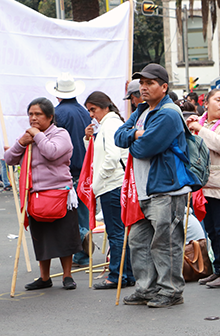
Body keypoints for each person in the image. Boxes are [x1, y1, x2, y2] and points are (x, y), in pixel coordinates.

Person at [114, 63, 201, 308]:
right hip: (144, 190)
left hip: (167, 189)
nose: (144, 87)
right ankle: (146, 288)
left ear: (164, 87)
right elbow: (118, 135)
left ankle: (171, 290)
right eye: (141, 83)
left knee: (166, 242)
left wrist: (134, 137)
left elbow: (144, 149)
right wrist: (135, 135)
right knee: (139, 241)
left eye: (150, 83)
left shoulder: (169, 113)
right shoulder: (142, 109)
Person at [5, 97, 80, 290]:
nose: (33, 118)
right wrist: (22, 142)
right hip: (36, 195)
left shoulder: (60, 134)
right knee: (42, 238)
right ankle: (44, 277)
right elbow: (9, 158)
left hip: (60, 195)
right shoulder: (28, 137)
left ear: (50, 116)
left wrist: (37, 135)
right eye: (30, 114)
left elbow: (51, 152)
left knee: (65, 237)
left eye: (38, 114)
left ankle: (67, 276)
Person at [187, 89, 220, 288]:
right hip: (203, 185)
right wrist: (192, 127)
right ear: (206, 104)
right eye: (217, 100)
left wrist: (198, 129)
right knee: (211, 230)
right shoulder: (200, 122)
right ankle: (218, 269)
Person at [83, 91, 135, 290]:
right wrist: (89, 139)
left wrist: (96, 184)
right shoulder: (107, 124)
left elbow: (111, 158)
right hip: (113, 183)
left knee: (116, 232)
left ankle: (117, 275)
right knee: (119, 232)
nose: (91, 115)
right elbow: (100, 155)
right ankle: (125, 273)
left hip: (112, 184)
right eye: (89, 111)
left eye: (93, 109)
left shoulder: (110, 124)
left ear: (105, 106)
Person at [46, 72, 92, 268]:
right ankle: (84, 244)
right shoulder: (83, 110)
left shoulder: (58, 113)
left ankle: (81, 245)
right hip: (85, 164)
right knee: (82, 209)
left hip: (68, 166)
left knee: (68, 212)